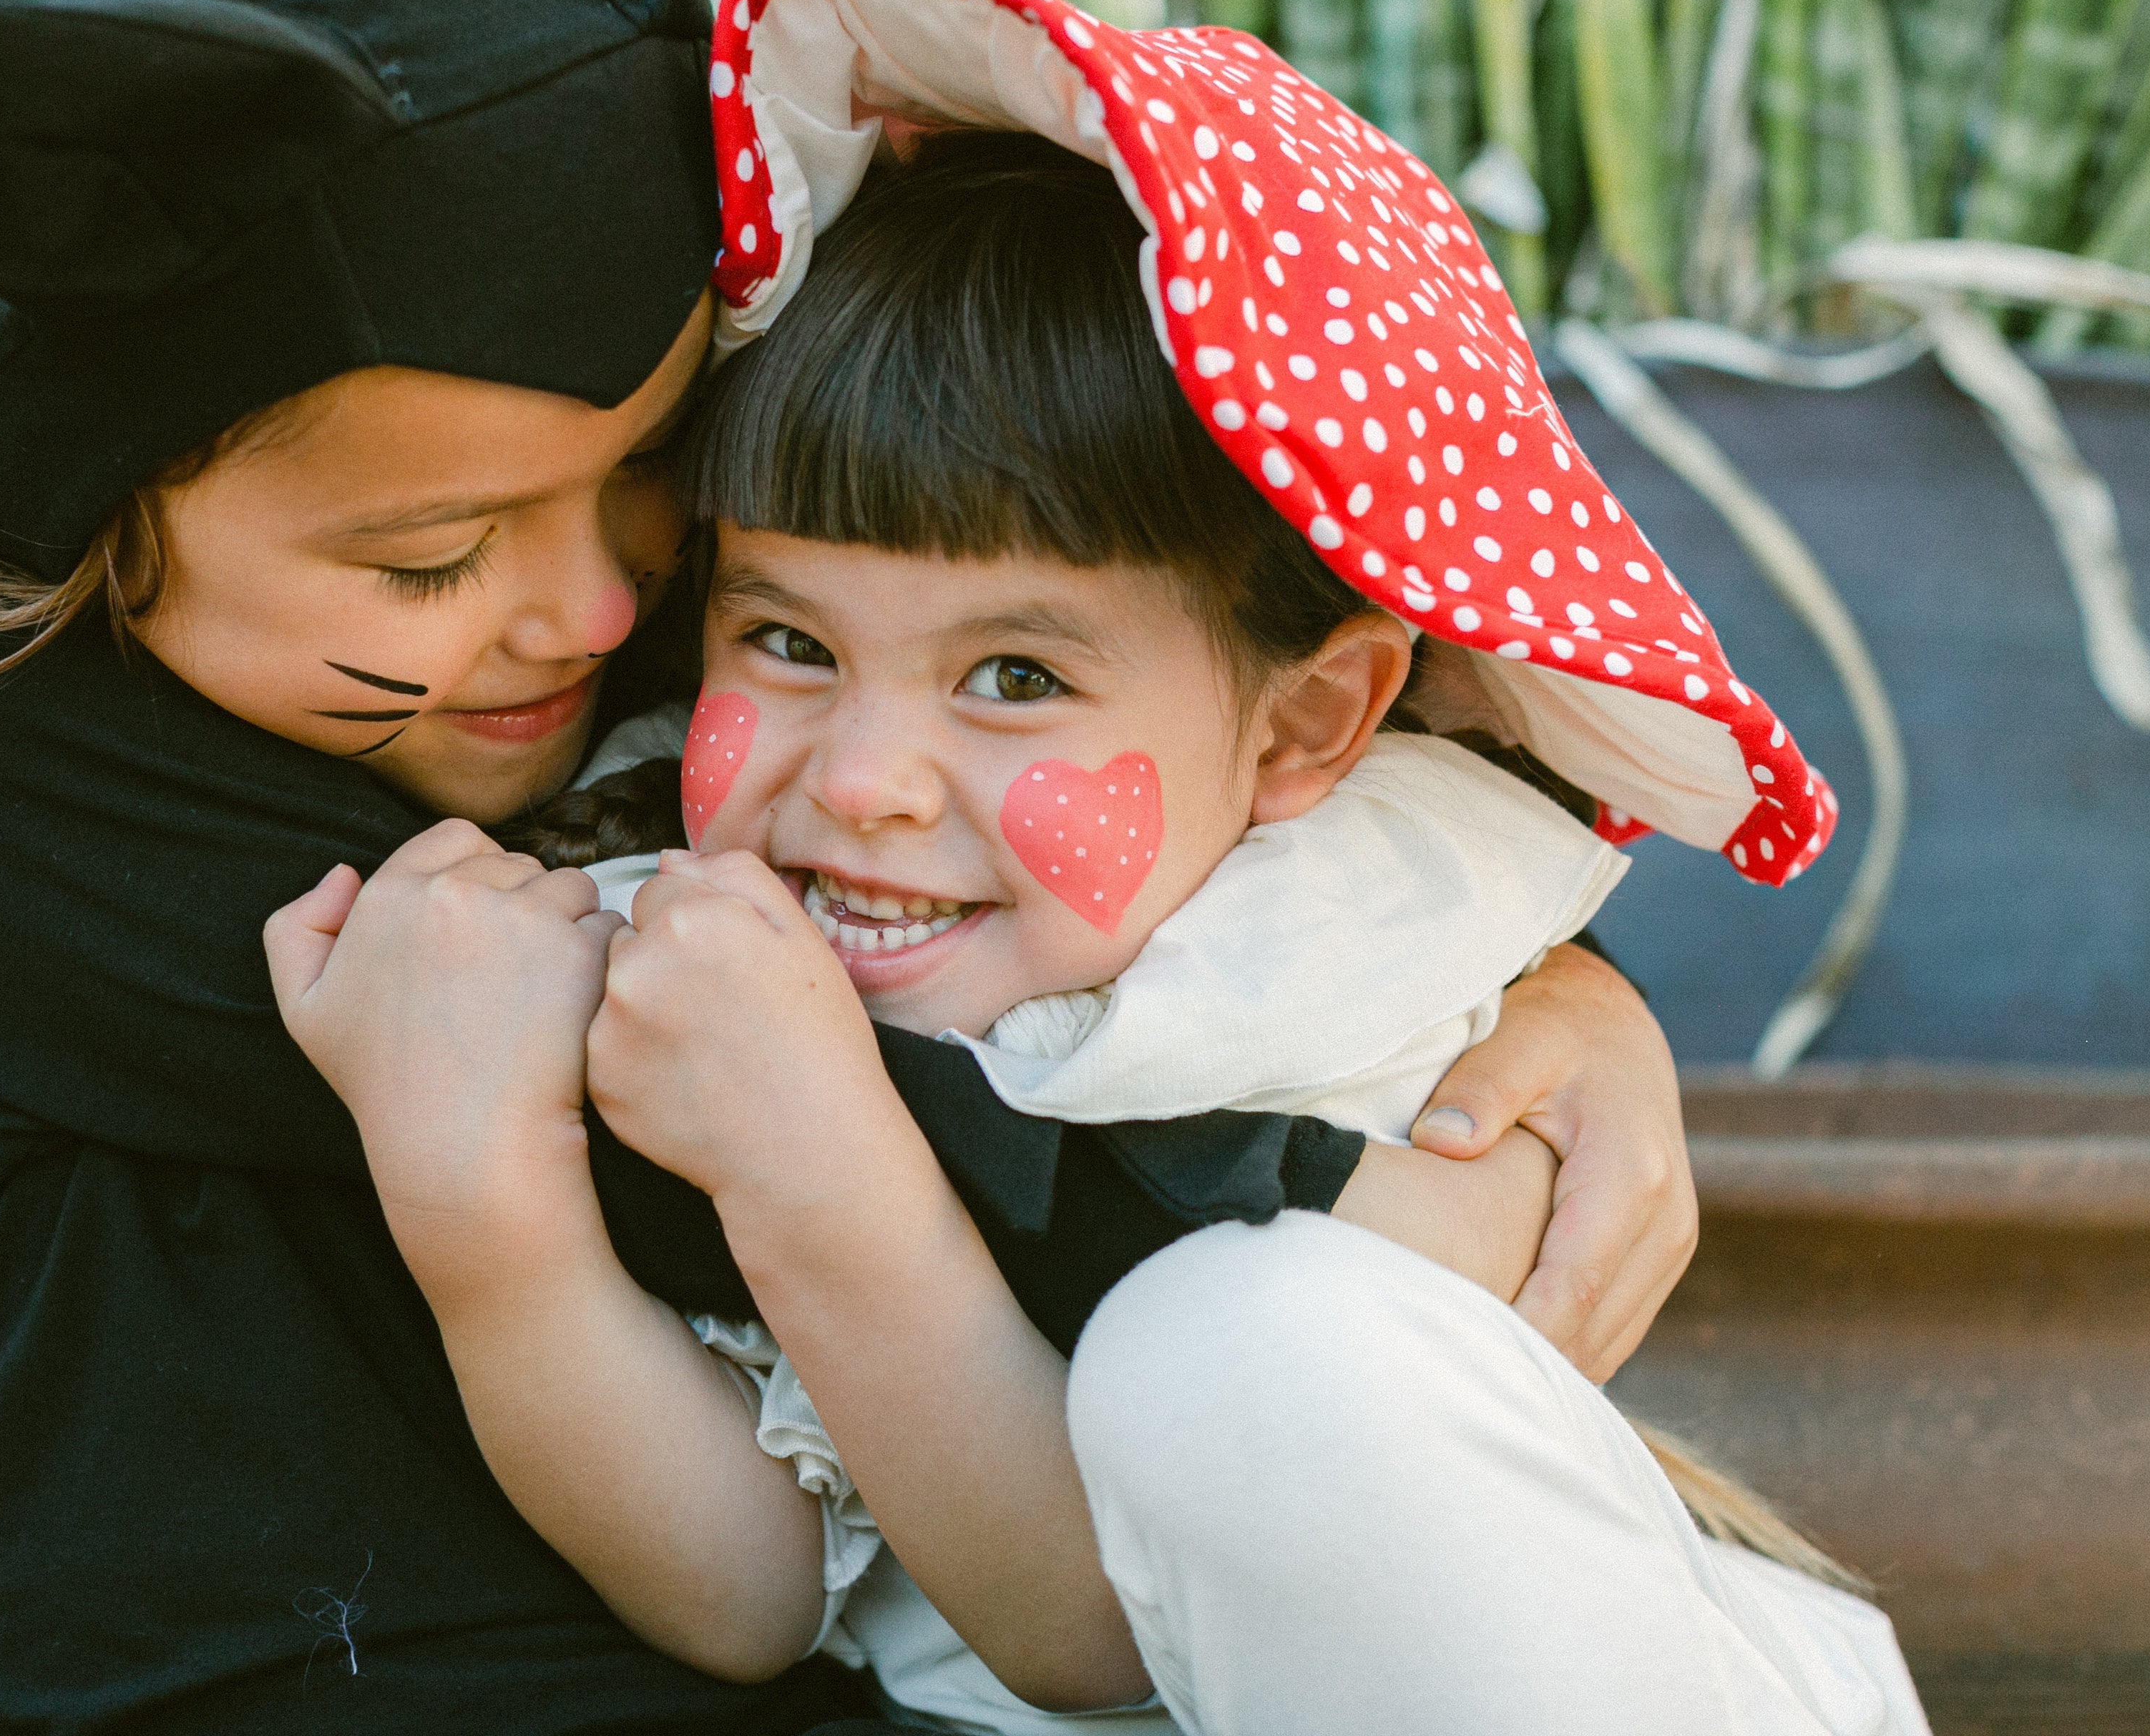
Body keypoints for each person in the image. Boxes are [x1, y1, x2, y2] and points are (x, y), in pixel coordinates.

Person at [0, 0, 1699, 1731]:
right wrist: (1330, 1191)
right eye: (426, 562)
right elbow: (779, 1087)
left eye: (652, 472)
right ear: (96, 512)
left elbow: (1139, 813)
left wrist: (1529, 1013)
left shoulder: (674, 655)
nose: (592, 605)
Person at [268, 118, 1922, 1733]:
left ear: (1301, 731)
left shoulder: (1339, 940)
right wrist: (484, 1206)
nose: (864, 782)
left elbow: (1089, 1622)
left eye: (1016, 679)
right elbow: (750, 1592)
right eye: (784, 641)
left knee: (1221, 1346)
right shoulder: (686, 950)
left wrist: (819, 1173)